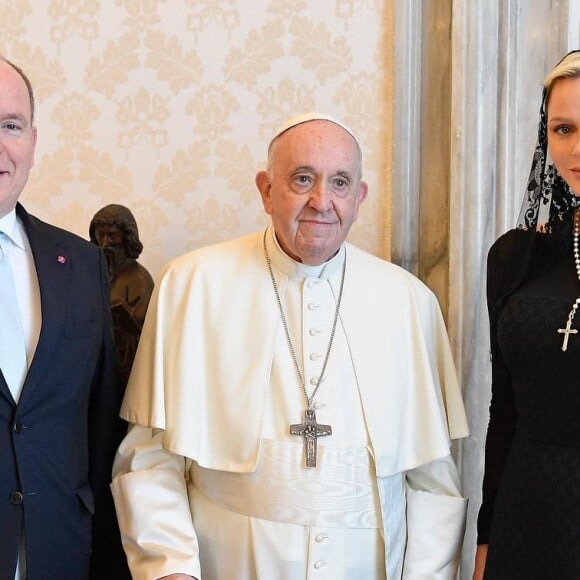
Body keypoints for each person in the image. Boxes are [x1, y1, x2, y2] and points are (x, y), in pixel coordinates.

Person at [111, 112, 469, 580]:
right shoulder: (192, 286)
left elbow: (432, 483)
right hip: (228, 566)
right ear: (266, 189)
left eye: (340, 183)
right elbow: (149, 457)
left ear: (359, 198)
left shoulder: (408, 302)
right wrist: (170, 568)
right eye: (303, 179)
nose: (322, 201)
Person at [0, 57, 130, 579]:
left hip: (60, 549)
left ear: (33, 139)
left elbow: (102, 424)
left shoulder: (80, 262)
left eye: (10, 125)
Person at [474, 50, 580, 579]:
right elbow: (504, 409)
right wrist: (487, 535)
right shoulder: (517, 256)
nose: (577, 148)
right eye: (563, 129)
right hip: (528, 506)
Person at [89, 204, 154, 384]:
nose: (104, 243)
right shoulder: (92, 273)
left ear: (127, 237)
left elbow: (144, 331)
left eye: (112, 236)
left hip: (124, 370)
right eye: (100, 235)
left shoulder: (139, 278)